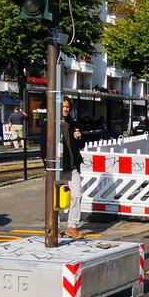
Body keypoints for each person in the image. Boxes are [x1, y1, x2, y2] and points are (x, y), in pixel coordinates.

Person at [60, 98, 85, 239]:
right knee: (56, 198)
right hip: (58, 167)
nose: (65, 109)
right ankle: (54, 226)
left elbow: (82, 144)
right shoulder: (52, 122)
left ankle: (72, 226)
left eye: (67, 106)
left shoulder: (74, 123)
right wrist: (46, 164)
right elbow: (44, 143)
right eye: (63, 106)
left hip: (73, 165)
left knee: (77, 194)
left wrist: (80, 137)